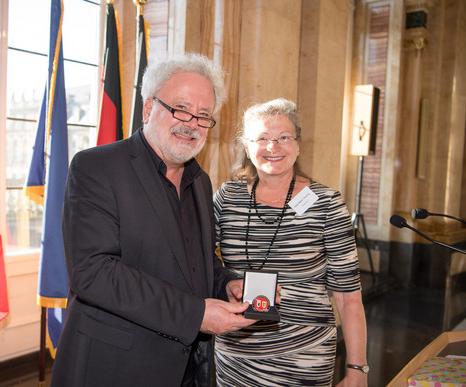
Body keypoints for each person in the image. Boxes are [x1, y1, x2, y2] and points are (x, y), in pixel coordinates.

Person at [51, 53, 257, 387]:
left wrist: (226, 283)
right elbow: (94, 273)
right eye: (180, 108)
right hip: (115, 367)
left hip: (186, 369)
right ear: (148, 108)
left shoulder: (200, 181)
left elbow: (195, 263)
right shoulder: (96, 168)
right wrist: (197, 315)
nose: (191, 123)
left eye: (204, 116)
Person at [213, 98, 368, 386]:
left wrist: (357, 369)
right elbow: (196, 258)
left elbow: (348, 297)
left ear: (297, 145)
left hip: (306, 354)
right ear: (247, 147)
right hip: (237, 355)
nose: (273, 147)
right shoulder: (228, 198)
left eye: (284, 137)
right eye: (262, 138)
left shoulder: (326, 204)